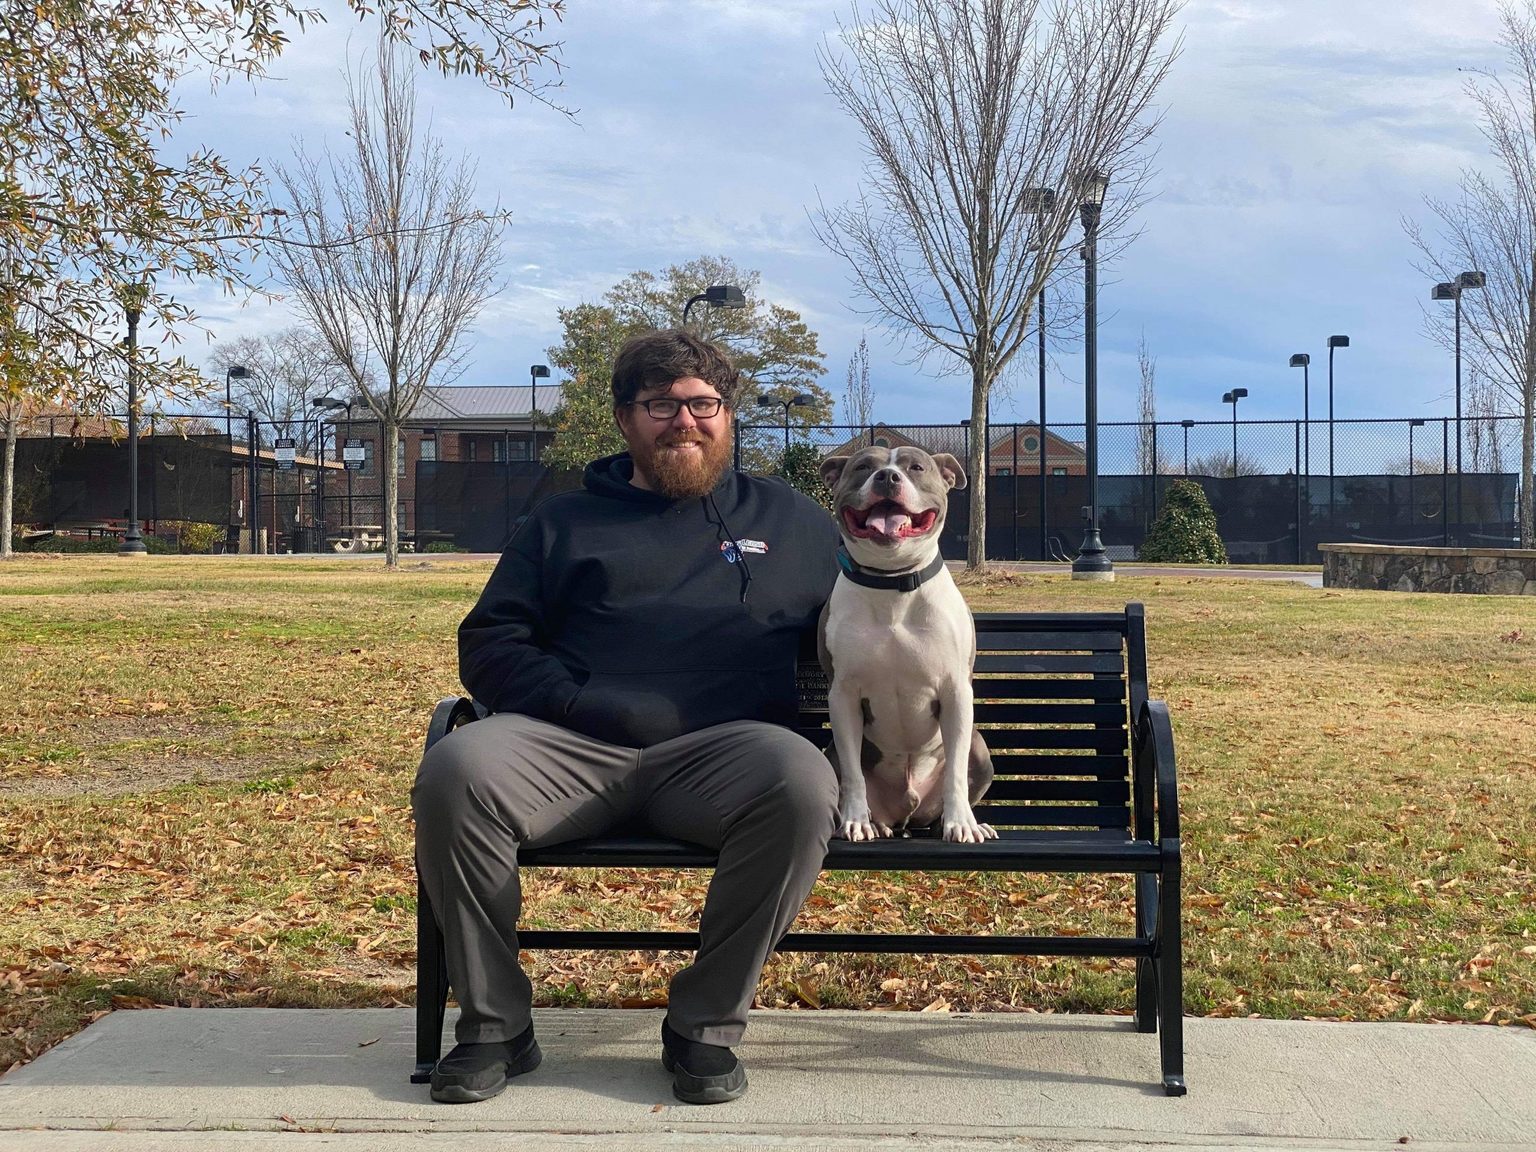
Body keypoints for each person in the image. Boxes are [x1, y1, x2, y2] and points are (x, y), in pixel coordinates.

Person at [412, 328, 841, 1106]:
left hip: (724, 755)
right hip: (570, 747)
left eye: (702, 403)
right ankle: (494, 1026)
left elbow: (878, 618)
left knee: (804, 783)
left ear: (728, 414)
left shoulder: (794, 521)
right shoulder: (563, 523)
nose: (684, 421)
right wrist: (577, 701)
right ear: (624, 420)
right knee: (457, 768)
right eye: (660, 405)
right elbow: (490, 642)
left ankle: (704, 1026)